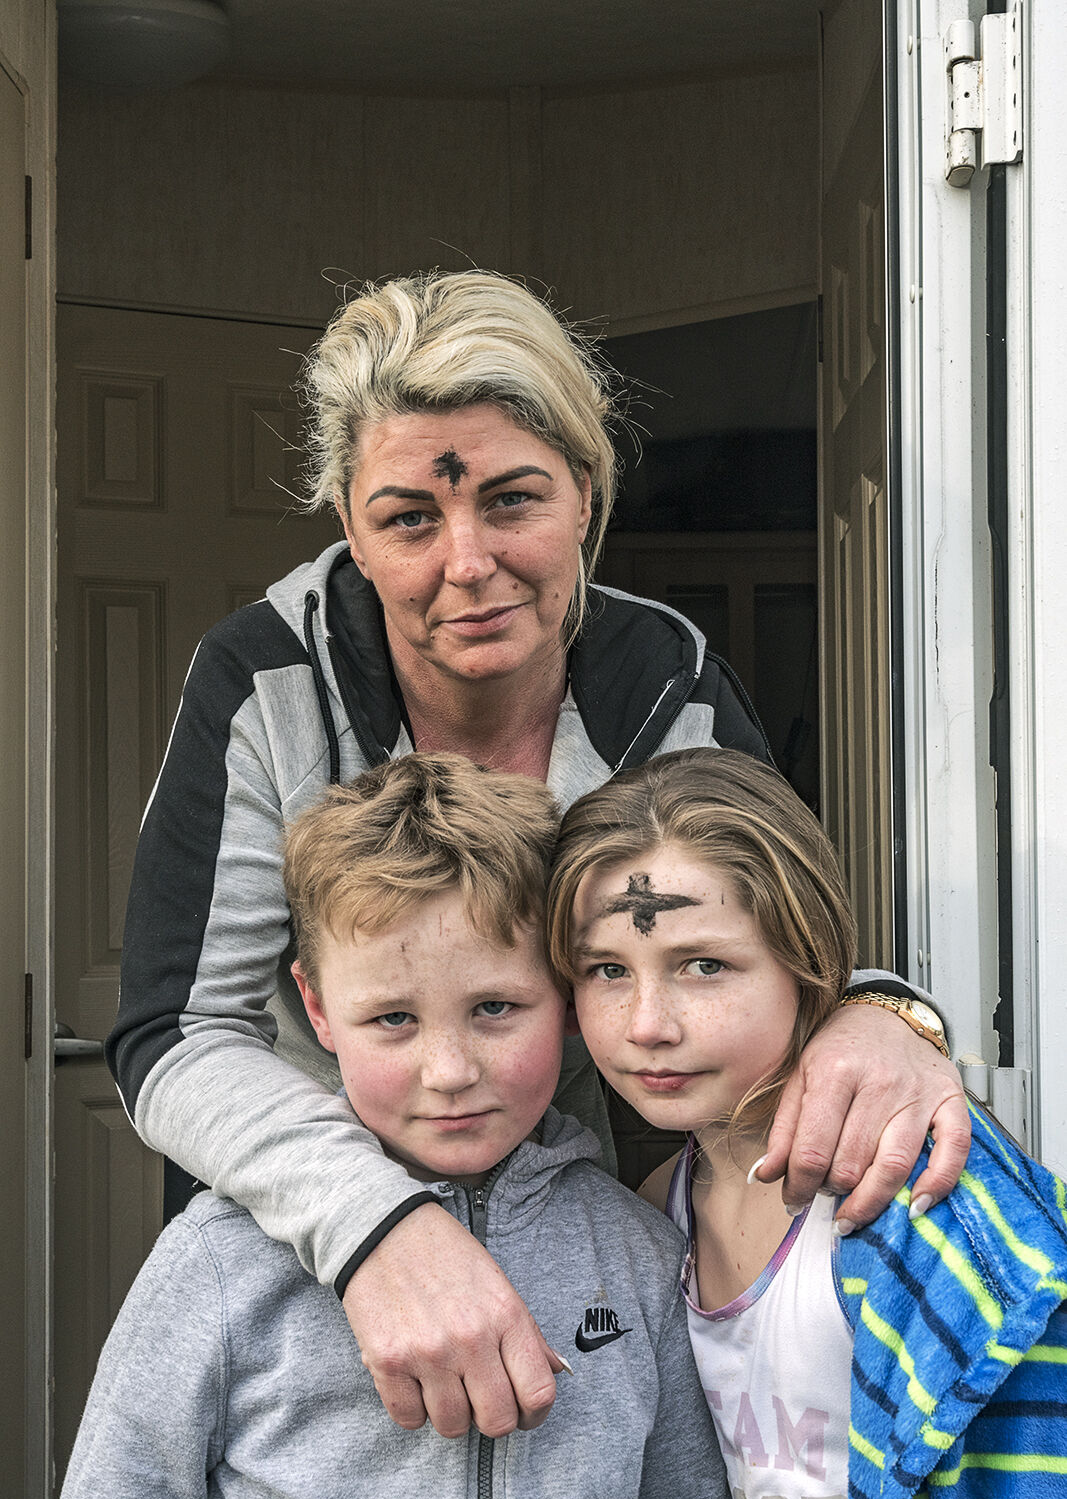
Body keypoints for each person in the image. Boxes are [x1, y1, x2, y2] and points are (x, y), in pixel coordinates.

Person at [106, 268, 969, 1439]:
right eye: (410, 516)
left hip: (591, 1270)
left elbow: (763, 952)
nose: (466, 562)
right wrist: (380, 1228)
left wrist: (880, 1014)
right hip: (306, 1269)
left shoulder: (663, 685)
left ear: (583, 493)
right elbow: (172, 1034)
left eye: (512, 500)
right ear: (352, 529)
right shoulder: (261, 681)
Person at [40, 754, 748, 1499]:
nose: (448, 1071)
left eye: (494, 1008)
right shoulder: (219, 1259)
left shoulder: (638, 1249)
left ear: (562, 993)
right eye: (392, 1019)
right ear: (315, 1009)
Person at [546, 746, 1067, 1499]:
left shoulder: (922, 1201)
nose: (646, 1024)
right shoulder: (652, 1219)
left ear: (807, 959)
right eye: (607, 970)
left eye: (702, 965)